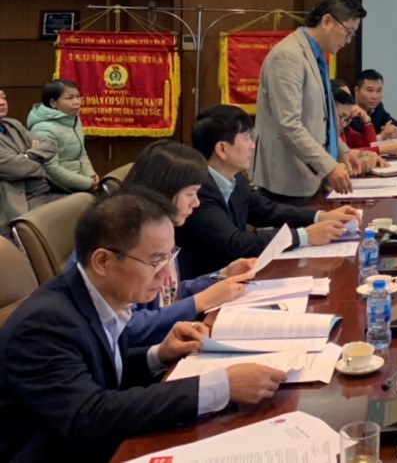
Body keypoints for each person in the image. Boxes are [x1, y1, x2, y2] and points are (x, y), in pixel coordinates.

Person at [0, 188, 286, 462]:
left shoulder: (101, 297)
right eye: (155, 261)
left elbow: (97, 369)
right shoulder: (44, 325)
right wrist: (221, 387)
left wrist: (158, 355)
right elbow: (90, 416)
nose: (166, 273)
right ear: (102, 261)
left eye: (170, 256)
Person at [103, 141, 255, 345]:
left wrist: (222, 275)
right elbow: (124, 327)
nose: (196, 203)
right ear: (164, 191)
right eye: (190, 194)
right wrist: (199, 302)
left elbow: (168, 293)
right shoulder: (120, 239)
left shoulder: (160, 231)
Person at [181, 104, 359, 279]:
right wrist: (304, 236)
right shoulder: (198, 190)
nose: (252, 146)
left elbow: (265, 210)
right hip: (208, 284)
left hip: (237, 278)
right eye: (246, 138)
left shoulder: (234, 178)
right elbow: (234, 243)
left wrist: (320, 217)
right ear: (222, 149)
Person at [251, 0, 368, 203]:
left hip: (309, 175)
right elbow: (289, 124)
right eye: (348, 32)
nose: (349, 41)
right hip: (287, 180)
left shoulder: (315, 55)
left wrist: (342, 151)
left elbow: (321, 119)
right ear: (327, 21)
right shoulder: (288, 56)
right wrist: (329, 166)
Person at [0, 87, 59, 227]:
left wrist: (26, 156)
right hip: (19, 199)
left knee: (85, 203)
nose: (2, 102)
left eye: (3, 97)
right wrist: (38, 158)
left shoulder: (12, 124)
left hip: (45, 189)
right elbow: (16, 168)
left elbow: (50, 145)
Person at [27, 78, 97, 192]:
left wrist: (91, 175)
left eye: (78, 96)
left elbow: (81, 154)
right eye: (70, 98)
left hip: (80, 183)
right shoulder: (43, 130)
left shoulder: (73, 119)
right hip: (56, 188)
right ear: (53, 103)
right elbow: (51, 169)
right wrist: (87, 183)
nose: (77, 102)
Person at [354, 69, 397, 140]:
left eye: (379, 91)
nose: (375, 96)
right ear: (356, 91)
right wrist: (381, 136)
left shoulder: (378, 107)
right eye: (370, 90)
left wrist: (394, 130)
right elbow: (356, 143)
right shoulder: (349, 111)